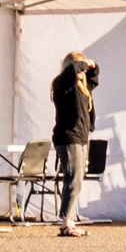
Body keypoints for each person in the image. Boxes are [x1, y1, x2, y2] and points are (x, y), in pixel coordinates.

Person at [51, 50, 100, 238]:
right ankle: (65, 223)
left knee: (77, 180)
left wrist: (93, 67)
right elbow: (72, 69)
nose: (83, 70)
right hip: (68, 137)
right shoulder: (62, 83)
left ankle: (70, 221)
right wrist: (84, 63)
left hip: (81, 137)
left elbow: (94, 77)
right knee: (72, 180)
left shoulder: (83, 87)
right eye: (81, 66)